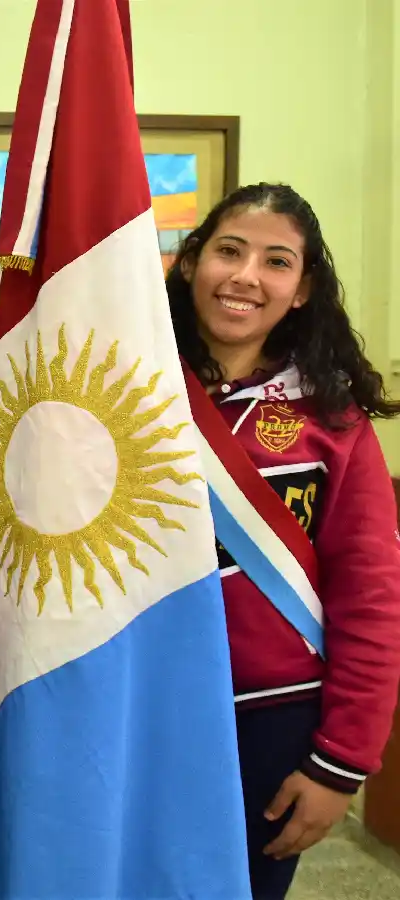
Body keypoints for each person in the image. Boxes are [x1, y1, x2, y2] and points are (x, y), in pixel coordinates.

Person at [166, 182, 400, 898]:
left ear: (301, 291)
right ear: (189, 263)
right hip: (132, 704)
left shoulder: (331, 416)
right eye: (229, 251)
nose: (245, 277)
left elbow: (371, 594)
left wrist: (343, 761)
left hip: (270, 720)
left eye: (276, 261)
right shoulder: (123, 389)